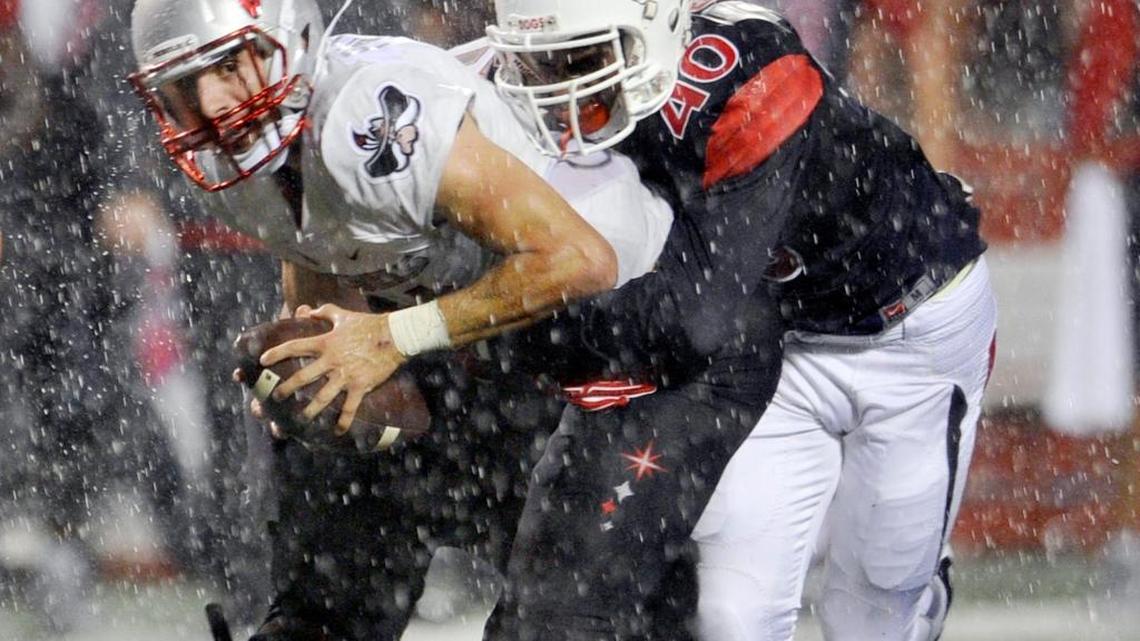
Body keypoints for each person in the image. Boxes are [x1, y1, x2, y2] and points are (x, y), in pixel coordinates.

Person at [127, 0, 674, 639]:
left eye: (227, 67)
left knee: (567, 620)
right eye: (183, 87)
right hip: (477, 338)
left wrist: (391, 339)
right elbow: (323, 255)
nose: (213, 104)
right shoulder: (229, 167)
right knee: (323, 607)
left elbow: (580, 261)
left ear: (289, 38)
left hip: (608, 335)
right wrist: (314, 355)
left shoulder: (369, 115)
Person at [486, 1, 996, 639]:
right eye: (540, 64)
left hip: (912, 329)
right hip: (779, 342)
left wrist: (520, 335)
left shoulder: (745, 71)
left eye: (583, 59)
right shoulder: (541, 91)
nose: (558, 88)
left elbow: (695, 315)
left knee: (871, 614)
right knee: (733, 618)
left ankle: (921, 597)